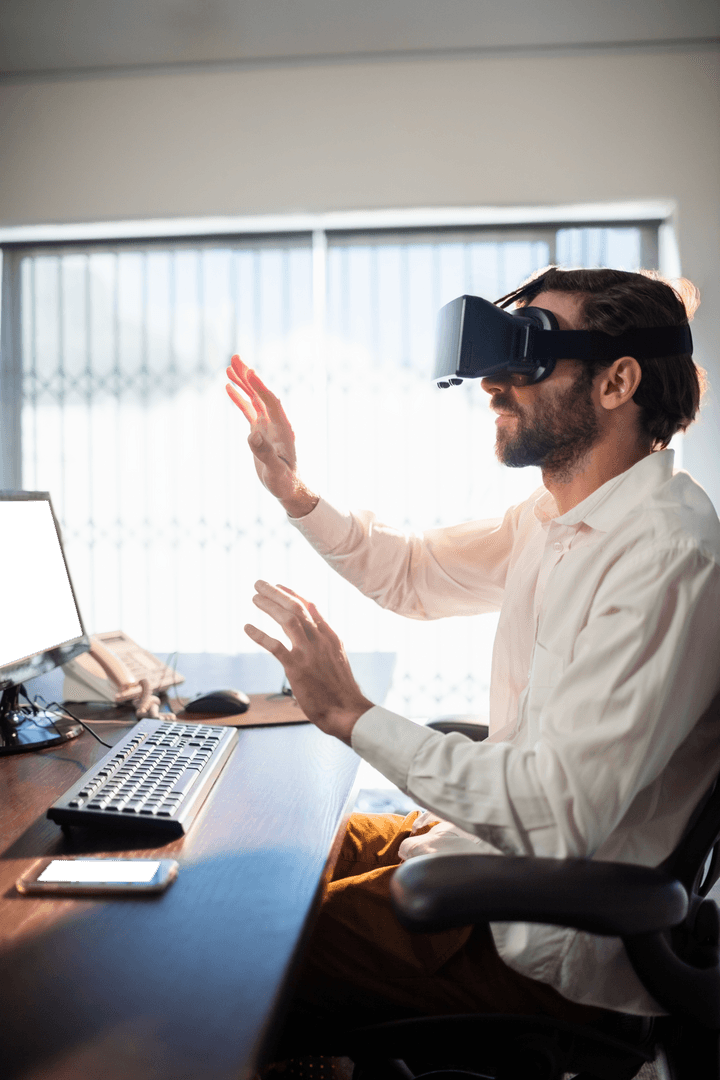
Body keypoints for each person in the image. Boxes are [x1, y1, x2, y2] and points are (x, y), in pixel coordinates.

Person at [226, 267, 720, 1057]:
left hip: (537, 938)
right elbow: (414, 573)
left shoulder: (666, 556)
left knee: (242, 953)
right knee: (250, 869)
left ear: (618, 382)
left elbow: (554, 811)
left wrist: (355, 717)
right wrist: (294, 490)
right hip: (479, 853)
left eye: (528, 355)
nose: (493, 383)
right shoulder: (560, 516)